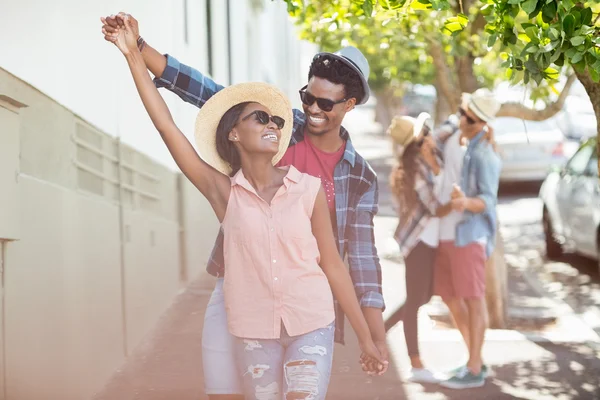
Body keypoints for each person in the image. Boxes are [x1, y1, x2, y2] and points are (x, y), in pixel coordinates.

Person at [101, 13, 389, 399]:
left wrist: (371, 336)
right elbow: (199, 100)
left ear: (348, 104)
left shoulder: (346, 179)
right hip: (244, 290)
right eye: (307, 97)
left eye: (325, 102)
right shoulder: (264, 150)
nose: (312, 109)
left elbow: (356, 261)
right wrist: (137, 51)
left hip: (307, 305)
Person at [434, 89, 502, 389]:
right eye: (461, 113)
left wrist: (465, 202)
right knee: (450, 295)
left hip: (470, 235)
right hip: (453, 234)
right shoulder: (470, 143)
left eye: (466, 117)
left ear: (479, 124)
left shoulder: (484, 154)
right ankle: (475, 360)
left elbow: (488, 199)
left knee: (474, 301)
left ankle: (474, 367)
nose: (460, 118)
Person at [386, 113, 459, 383]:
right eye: (424, 131)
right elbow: (435, 208)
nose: (430, 132)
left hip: (429, 239)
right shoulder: (415, 167)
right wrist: (460, 202)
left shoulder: (429, 147)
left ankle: (378, 332)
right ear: (416, 141)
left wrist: (458, 119)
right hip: (418, 241)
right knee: (416, 300)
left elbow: (448, 127)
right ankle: (416, 365)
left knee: (424, 296)